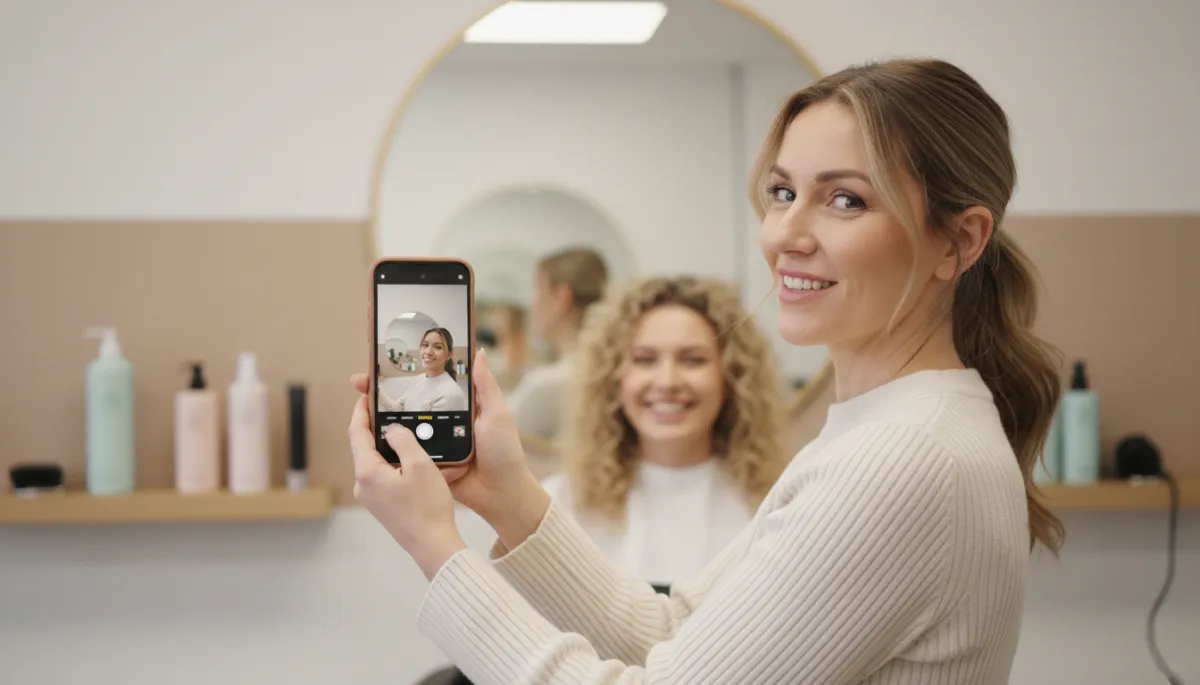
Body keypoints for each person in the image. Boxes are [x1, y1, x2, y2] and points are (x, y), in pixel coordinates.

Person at [348, 57, 1066, 684]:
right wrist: (508, 496)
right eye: (783, 192)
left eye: (845, 199)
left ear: (959, 241)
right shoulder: (884, 432)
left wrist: (435, 547)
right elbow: (674, 633)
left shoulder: (904, 457)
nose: (785, 234)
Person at [542, 275, 787, 588]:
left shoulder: (773, 509)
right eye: (645, 360)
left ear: (732, 376)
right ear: (614, 378)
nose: (668, 381)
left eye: (693, 360)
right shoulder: (560, 507)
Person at [507, 247, 608, 441]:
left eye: (538, 290)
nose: (533, 303)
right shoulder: (605, 370)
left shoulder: (549, 384)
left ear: (562, 297)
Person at [377, 327, 467, 412]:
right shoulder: (419, 379)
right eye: (425, 345)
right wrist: (376, 392)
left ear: (449, 355)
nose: (428, 352)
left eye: (438, 347)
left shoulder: (450, 394)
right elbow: (399, 408)